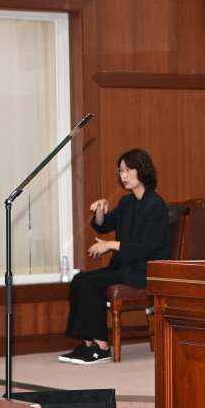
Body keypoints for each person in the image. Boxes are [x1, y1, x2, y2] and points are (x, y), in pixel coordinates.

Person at [59, 149, 170, 364]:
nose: (124, 175)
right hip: (125, 266)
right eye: (121, 170)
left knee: (91, 283)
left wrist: (111, 245)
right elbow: (103, 226)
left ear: (142, 170)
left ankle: (101, 347)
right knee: (80, 279)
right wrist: (100, 209)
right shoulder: (128, 202)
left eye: (129, 170)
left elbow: (146, 247)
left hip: (143, 270)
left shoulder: (156, 204)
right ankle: (87, 343)